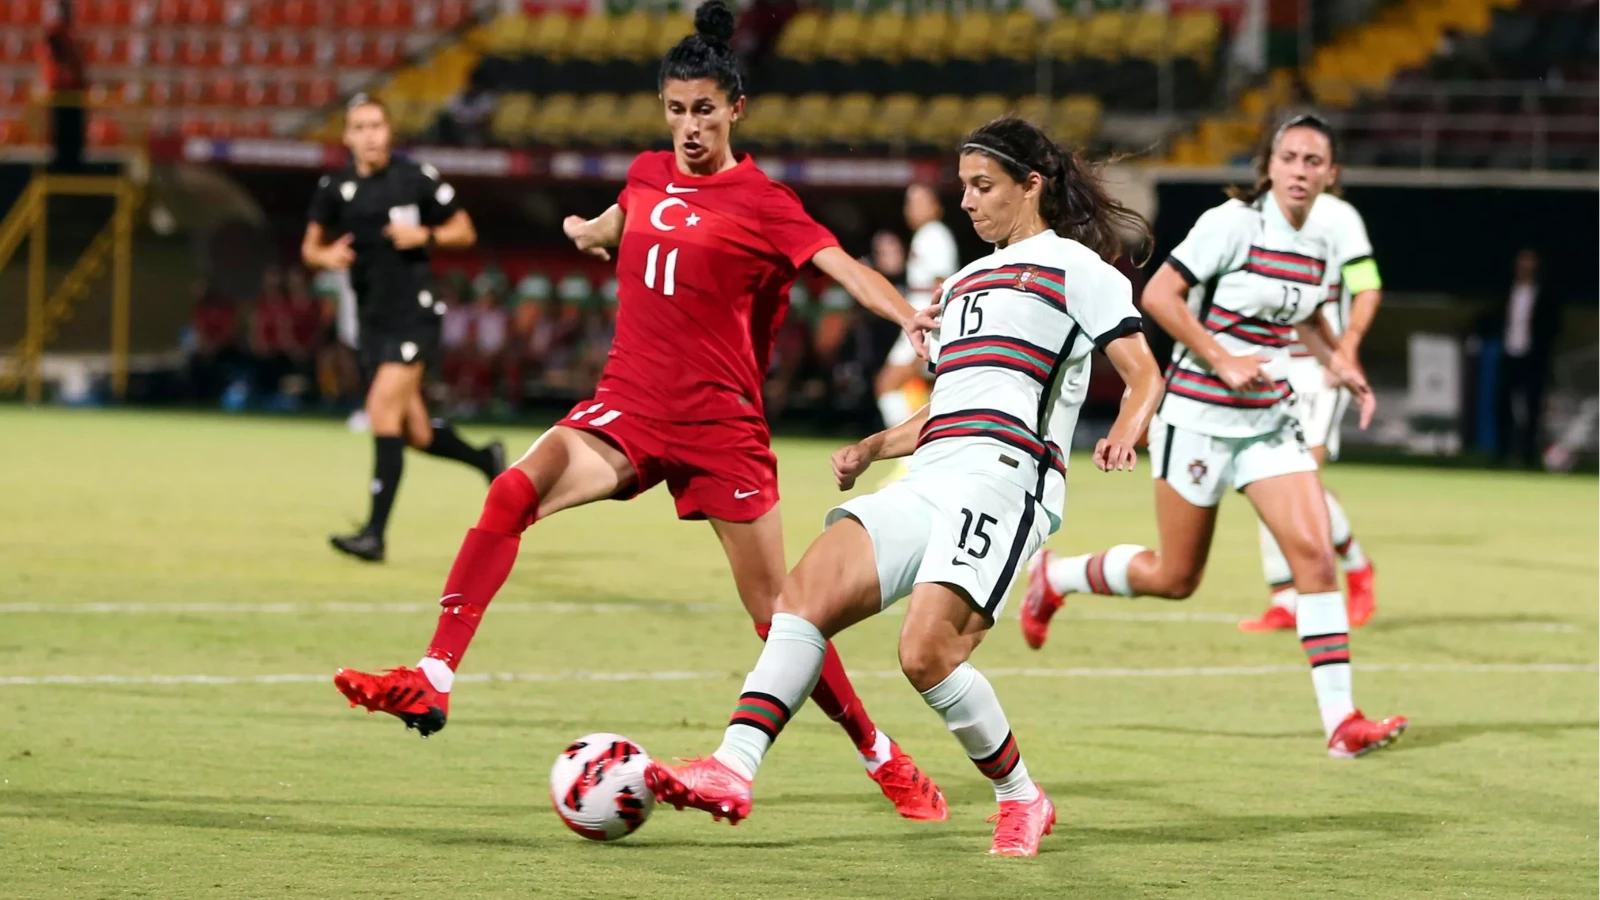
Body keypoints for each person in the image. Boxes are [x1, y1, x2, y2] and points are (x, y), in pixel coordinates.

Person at [331, 1, 947, 822]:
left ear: (735, 109)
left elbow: (839, 267)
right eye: (676, 109)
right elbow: (620, 225)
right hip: (628, 405)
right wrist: (590, 230)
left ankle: (881, 753)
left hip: (722, 426)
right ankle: (432, 679)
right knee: (513, 492)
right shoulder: (649, 172)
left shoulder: (764, 201)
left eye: (703, 110)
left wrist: (904, 312)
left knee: (782, 615)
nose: (689, 126)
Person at [644, 116, 1162, 856]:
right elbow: (949, 407)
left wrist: (1125, 429)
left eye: (984, 186)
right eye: (963, 187)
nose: (968, 202)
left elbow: (1145, 373)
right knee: (803, 595)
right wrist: (873, 446)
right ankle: (732, 768)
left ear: (1031, 185)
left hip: (1004, 480)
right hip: (932, 471)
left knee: (925, 655)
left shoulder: (1080, 269)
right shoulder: (965, 284)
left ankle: (1022, 797)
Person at [1022, 113, 1408, 759]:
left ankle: (1342, 724)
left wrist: (1339, 360)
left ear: (1330, 175)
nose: (1301, 170)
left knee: (1313, 559)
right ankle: (1058, 578)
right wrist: (1221, 356)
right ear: (1270, 165)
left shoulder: (1321, 239)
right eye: (1290, 157)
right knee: (1175, 576)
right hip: (1198, 418)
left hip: (1267, 422)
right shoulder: (1231, 223)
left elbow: (1306, 307)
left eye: (1314, 161)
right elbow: (1162, 297)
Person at [303, 95, 505, 563]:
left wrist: (425, 236)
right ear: (348, 136)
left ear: (389, 131)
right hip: (372, 323)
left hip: (415, 314)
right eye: (360, 126)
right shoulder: (336, 187)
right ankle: (485, 459)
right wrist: (326, 257)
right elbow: (311, 247)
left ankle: (374, 534)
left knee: (380, 411)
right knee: (414, 431)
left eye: (377, 125)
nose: (370, 134)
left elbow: (465, 229)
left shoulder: (413, 178)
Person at [1238, 189, 1382, 632]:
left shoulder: (1340, 216)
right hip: (1273, 364)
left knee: (1299, 483)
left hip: (1319, 369)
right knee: (1262, 478)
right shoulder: (1254, 212)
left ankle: (1357, 568)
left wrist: (1347, 350)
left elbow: (1366, 285)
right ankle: (1284, 598)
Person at [875, 183, 959, 430]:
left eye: (920, 202)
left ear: (936, 207)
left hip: (924, 324)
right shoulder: (926, 235)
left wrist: (933, 333)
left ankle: (910, 455)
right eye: (909, 203)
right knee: (915, 389)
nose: (912, 209)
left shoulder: (934, 235)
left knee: (887, 385)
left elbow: (940, 286)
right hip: (919, 321)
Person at [1495, 249, 1560, 469]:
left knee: (1532, 407)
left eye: (1529, 262)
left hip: (1533, 358)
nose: (1525, 266)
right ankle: (1502, 453)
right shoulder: (1508, 291)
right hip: (1510, 354)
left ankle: (1528, 455)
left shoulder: (1545, 294)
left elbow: (1553, 326)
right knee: (1503, 403)